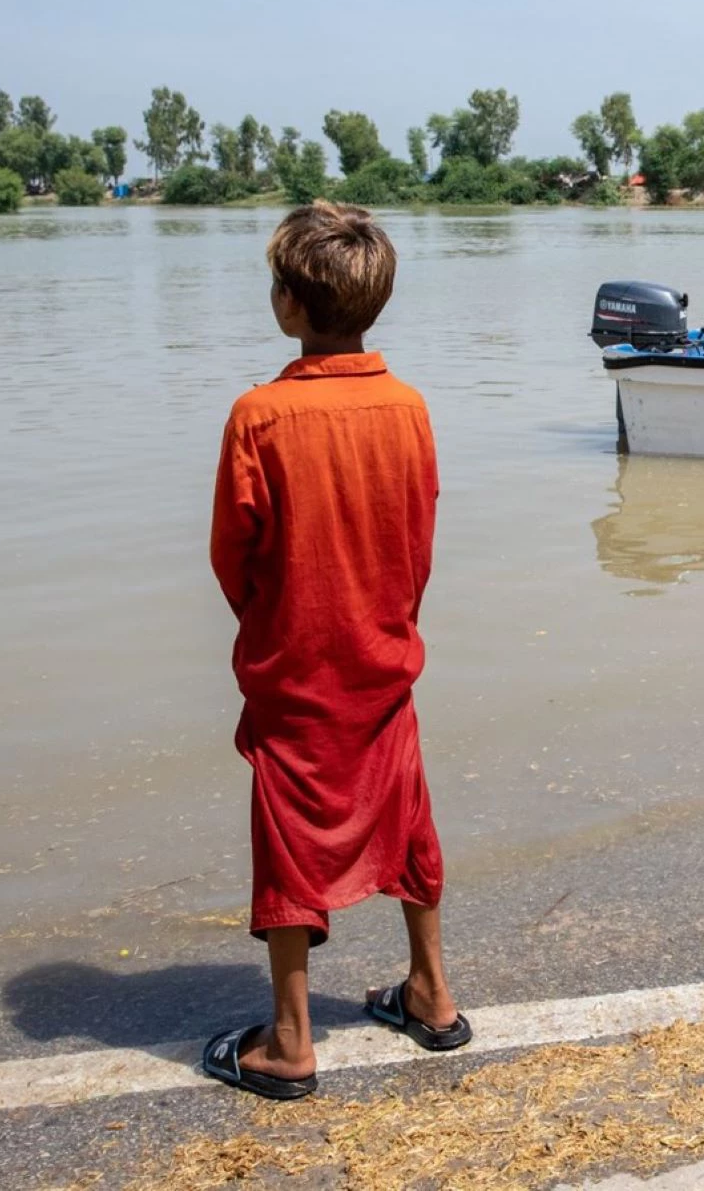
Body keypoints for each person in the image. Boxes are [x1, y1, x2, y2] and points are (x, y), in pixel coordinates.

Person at [200, 200, 469, 1101]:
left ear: (289, 303)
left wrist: (274, 622)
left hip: (296, 663)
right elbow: (418, 537)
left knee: (288, 835)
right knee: (408, 815)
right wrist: (384, 617)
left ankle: (289, 1039)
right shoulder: (409, 407)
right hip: (382, 652)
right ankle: (431, 994)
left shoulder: (260, 415)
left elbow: (232, 555)